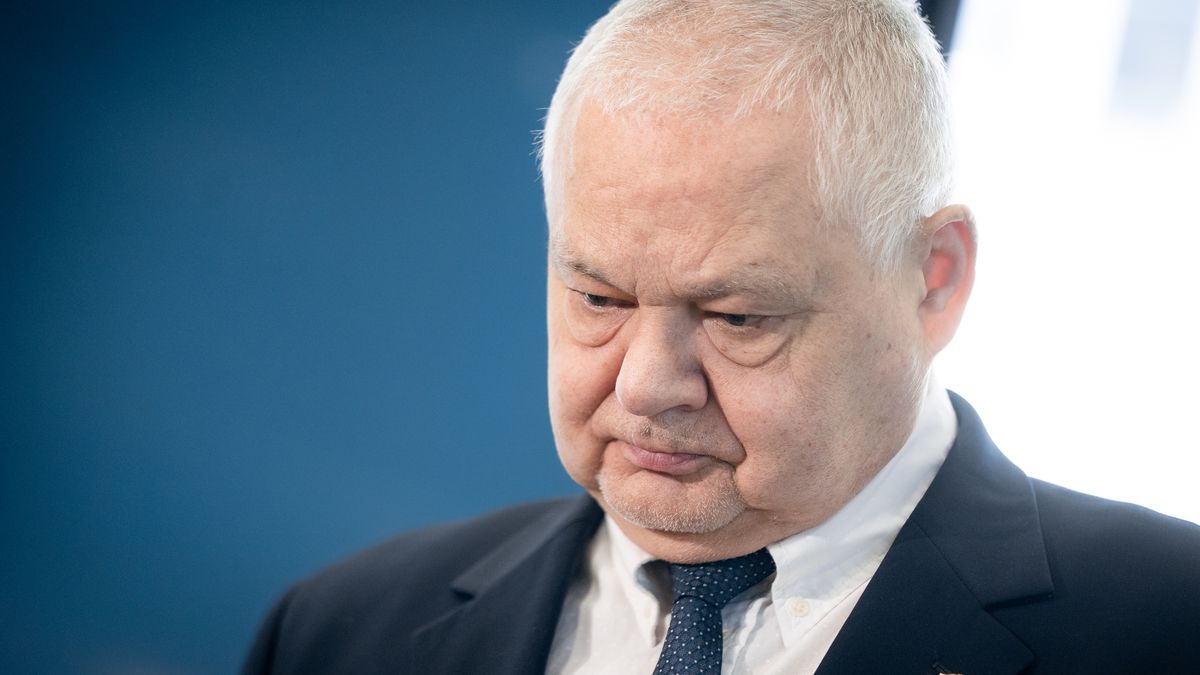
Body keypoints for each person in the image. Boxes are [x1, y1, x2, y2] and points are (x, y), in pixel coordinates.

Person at [242, 1, 1200, 673]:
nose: (649, 387)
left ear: (934, 277)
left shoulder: (1167, 626)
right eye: (600, 297)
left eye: (740, 317)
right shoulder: (338, 632)